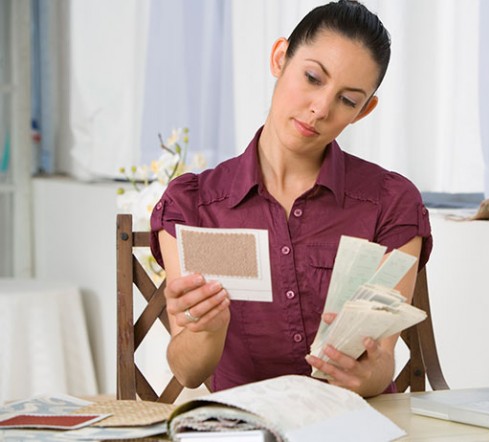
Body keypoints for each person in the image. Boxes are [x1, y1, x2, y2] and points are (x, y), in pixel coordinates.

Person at [150, 0, 432, 398]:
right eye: (313, 78)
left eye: (348, 100)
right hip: (247, 422)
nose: (320, 108)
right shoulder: (193, 205)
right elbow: (188, 372)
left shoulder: (390, 202)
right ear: (280, 58)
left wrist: (364, 373)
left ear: (364, 111)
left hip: (354, 420)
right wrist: (207, 330)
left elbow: (382, 360)